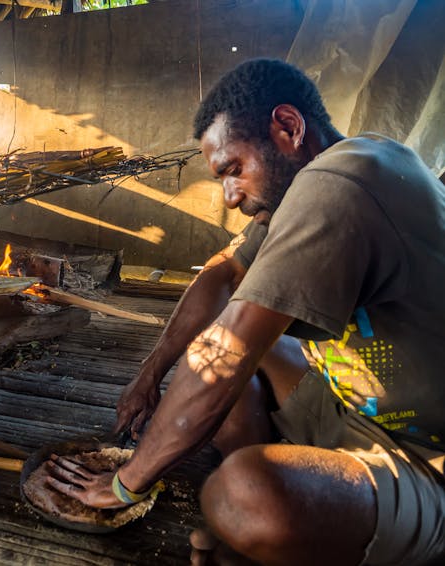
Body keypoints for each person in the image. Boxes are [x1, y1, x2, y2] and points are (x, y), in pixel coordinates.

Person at [46, 58, 445, 566]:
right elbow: (222, 273)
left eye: (232, 170)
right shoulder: (321, 180)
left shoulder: (340, 183)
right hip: (353, 409)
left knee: (239, 494)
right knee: (220, 347)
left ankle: (280, 525)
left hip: (424, 456)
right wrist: (150, 375)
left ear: (288, 127)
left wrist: (125, 485)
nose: (230, 197)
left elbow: (228, 351)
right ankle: (287, 516)